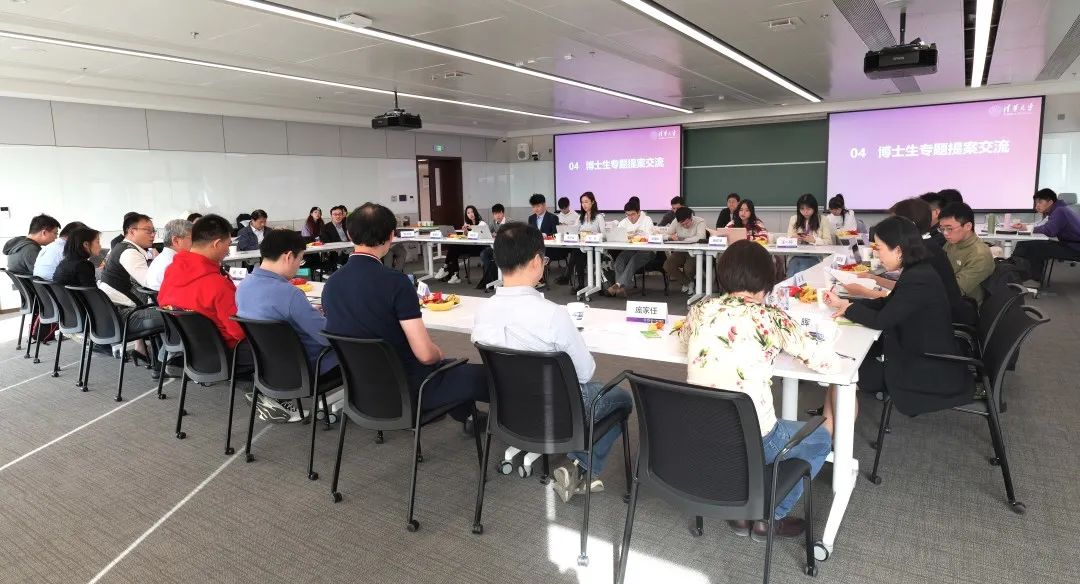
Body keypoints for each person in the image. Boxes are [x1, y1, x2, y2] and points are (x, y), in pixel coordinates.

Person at [680, 239, 838, 540]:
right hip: (757, 438)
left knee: (748, 433)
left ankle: (740, 513)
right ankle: (770, 516)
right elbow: (823, 361)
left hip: (703, 434)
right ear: (768, 282)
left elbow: (683, 341)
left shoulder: (700, 309)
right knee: (820, 438)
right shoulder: (771, 317)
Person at [472, 222, 633, 502]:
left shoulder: (482, 312)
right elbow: (585, 373)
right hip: (557, 411)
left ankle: (576, 464)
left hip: (508, 409)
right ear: (537, 262)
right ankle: (580, 465)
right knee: (622, 399)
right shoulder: (552, 314)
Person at [321, 203, 488, 426]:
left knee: (452, 367)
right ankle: (514, 428)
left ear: (349, 235)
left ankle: (469, 417)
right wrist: (437, 353)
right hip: (409, 389)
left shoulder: (331, 284)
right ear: (391, 236)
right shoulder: (396, 283)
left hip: (361, 389)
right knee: (482, 375)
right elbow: (426, 356)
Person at [823, 215, 970, 416]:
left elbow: (881, 320)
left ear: (899, 250)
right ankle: (829, 426)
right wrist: (847, 304)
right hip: (914, 349)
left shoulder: (918, 278)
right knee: (844, 364)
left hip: (921, 364)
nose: (878, 255)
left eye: (879, 249)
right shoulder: (917, 271)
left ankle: (835, 431)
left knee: (842, 370)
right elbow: (887, 304)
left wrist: (848, 308)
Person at [236, 229, 341, 400]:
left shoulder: (243, 287)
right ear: (289, 256)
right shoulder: (290, 294)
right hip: (310, 370)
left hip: (268, 369)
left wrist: (307, 313)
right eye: (300, 259)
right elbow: (328, 337)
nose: (300, 265)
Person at [97, 212, 164, 363]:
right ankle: (165, 362)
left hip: (112, 313)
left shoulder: (121, 247)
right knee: (173, 316)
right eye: (148, 230)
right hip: (123, 316)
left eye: (153, 231)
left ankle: (142, 350)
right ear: (132, 231)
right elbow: (151, 282)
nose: (153, 235)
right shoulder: (130, 253)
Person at [1011, 188, 1080, 282]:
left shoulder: (1059, 211)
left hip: (1075, 248)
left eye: (1040, 202)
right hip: (1071, 244)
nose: (1037, 205)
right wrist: (1028, 227)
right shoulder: (1060, 209)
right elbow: (1045, 226)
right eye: (1036, 203)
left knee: (1032, 247)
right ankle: (1018, 275)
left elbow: (1050, 230)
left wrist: (1029, 228)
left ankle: (1020, 276)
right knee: (1025, 245)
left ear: (1050, 202)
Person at [939, 202, 994, 305]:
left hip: (964, 305)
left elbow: (956, 289)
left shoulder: (980, 255)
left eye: (949, 228)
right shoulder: (952, 243)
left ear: (968, 226)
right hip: (946, 297)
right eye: (942, 229)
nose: (945, 233)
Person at [607, 198, 655, 297]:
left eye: (632, 214)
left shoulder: (647, 220)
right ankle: (621, 289)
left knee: (633, 260)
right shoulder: (624, 222)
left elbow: (650, 237)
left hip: (647, 250)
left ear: (638, 212)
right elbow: (617, 235)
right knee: (619, 260)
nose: (630, 217)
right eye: (627, 214)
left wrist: (635, 236)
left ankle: (617, 285)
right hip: (631, 250)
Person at [433, 205, 487, 284]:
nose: (471, 214)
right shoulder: (467, 223)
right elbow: (467, 237)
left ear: (475, 212)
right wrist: (465, 232)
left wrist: (471, 227)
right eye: (468, 213)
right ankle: (454, 274)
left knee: (454, 248)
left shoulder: (482, 223)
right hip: (469, 246)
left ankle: (446, 268)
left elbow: (482, 236)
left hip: (479, 247)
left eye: (472, 212)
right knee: (453, 246)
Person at [786, 193, 835, 276]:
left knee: (803, 267)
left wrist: (814, 240)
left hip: (816, 255)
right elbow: (788, 240)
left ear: (814, 208)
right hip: (797, 255)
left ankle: (800, 283)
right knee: (796, 266)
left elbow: (829, 242)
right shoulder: (794, 219)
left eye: (808, 209)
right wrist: (793, 239)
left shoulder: (823, 220)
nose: (805, 212)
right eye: (802, 209)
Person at [662, 206, 706, 293]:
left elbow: (701, 237)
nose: (685, 226)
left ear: (691, 218)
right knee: (667, 265)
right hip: (681, 250)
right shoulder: (676, 221)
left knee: (688, 269)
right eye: (682, 224)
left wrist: (684, 240)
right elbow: (665, 235)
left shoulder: (700, 221)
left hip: (695, 251)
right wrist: (670, 237)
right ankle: (688, 283)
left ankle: (691, 283)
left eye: (687, 223)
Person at [526, 194, 568, 284]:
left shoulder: (553, 218)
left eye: (538, 206)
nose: (536, 209)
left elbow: (556, 234)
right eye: (533, 207)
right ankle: (531, 278)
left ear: (544, 205)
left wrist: (545, 235)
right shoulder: (531, 218)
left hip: (550, 248)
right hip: (535, 247)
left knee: (537, 254)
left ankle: (539, 279)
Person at [147, 219, 193, 291]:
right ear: (176, 241)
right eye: (193, 239)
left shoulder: (160, 259)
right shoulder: (176, 265)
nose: (196, 243)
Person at [477, 203, 512, 290]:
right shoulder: (493, 223)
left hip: (508, 248)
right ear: (493, 215)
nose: (497, 216)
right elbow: (486, 232)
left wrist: (499, 234)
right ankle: (494, 277)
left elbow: (512, 235)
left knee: (496, 255)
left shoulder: (509, 222)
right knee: (484, 254)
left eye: (499, 213)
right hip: (496, 247)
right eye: (495, 214)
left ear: (503, 213)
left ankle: (494, 279)